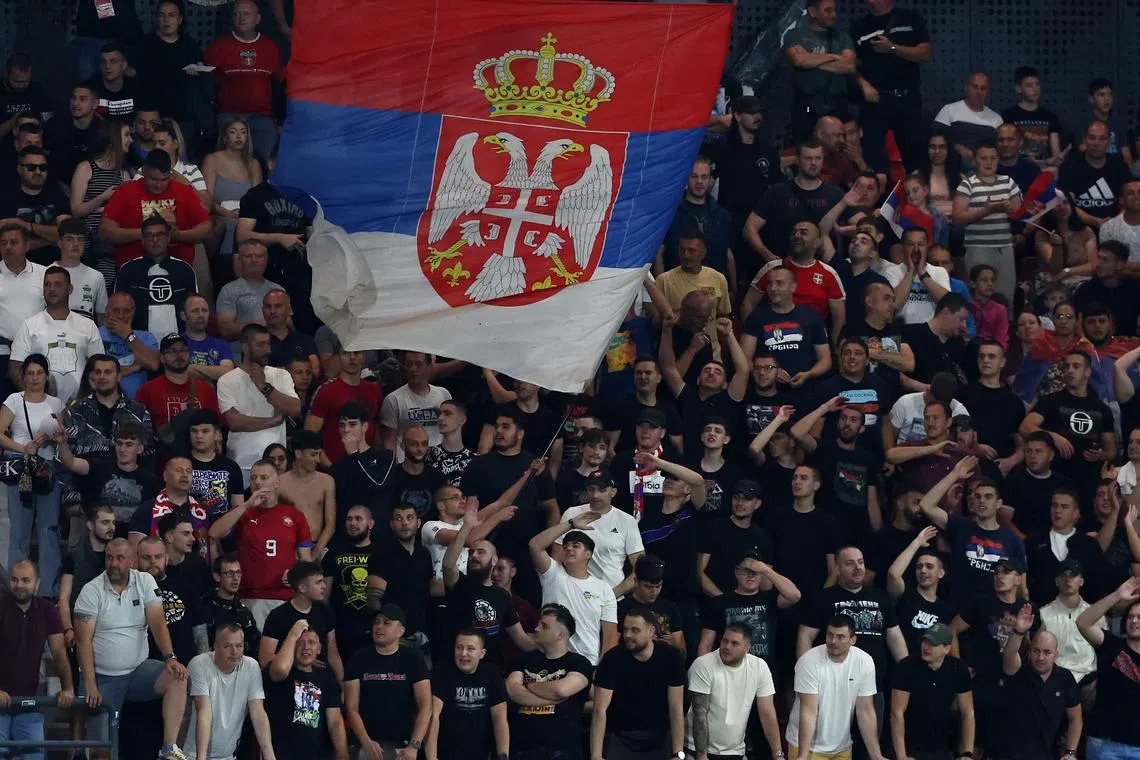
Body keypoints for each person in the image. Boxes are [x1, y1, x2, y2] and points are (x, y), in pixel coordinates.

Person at [73, 538, 189, 759]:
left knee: (178, 676)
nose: (113, 563)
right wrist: (90, 683)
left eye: (120, 558)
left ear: (132, 561)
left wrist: (170, 657)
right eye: (109, 558)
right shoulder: (91, 590)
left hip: (138, 672)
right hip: (103, 678)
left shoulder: (145, 581)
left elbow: (157, 622)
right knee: (101, 752)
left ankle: (169, 748)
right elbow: (82, 641)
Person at [207, 458, 314, 628]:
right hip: (249, 596)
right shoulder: (243, 513)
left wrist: (296, 574)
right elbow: (214, 533)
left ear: (277, 482)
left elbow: (306, 560)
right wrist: (246, 505)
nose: (257, 482)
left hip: (285, 597)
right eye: (253, 478)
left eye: (264, 477)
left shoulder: (295, 516)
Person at [0, 354, 63, 595]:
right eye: (30, 373)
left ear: (46, 376)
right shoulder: (14, 400)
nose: (35, 378)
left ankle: (48, 592)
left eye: (39, 373)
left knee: (49, 529)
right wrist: (23, 448)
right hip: (21, 468)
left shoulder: (56, 404)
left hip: (47, 469)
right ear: (23, 377)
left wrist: (54, 439)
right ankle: (17, 590)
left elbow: (60, 436)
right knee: (20, 531)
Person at [920, 459, 1025, 602]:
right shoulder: (960, 526)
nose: (982, 500)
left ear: (998, 503)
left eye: (988, 497)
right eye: (977, 496)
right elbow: (926, 505)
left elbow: (1021, 587)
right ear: (972, 502)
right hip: (958, 608)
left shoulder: (1012, 539)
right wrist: (954, 475)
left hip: (994, 610)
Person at [0, 559, 75, 759]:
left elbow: (59, 653)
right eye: (14, 579)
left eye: (26, 580)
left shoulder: (48, 610)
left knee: (34, 756)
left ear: (38, 583)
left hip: (29, 702)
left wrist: (68, 688)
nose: (19, 585)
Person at [591, 607, 686, 760]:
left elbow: (676, 708)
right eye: (625, 629)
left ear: (651, 631)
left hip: (660, 736)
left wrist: (678, 754)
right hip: (620, 735)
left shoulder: (671, 657)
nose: (627, 635)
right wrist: (596, 755)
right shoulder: (612, 659)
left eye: (635, 630)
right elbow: (599, 710)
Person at [786, 614, 886, 760]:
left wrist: (876, 755)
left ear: (853, 640)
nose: (833, 641)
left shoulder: (864, 661)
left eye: (840, 637)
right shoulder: (808, 661)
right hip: (807, 747)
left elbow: (865, 711)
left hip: (842, 747)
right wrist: (802, 756)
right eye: (830, 635)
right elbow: (809, 711)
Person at [528, 507, 618, 666]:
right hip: (550, 660)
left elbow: (610, 637)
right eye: (566, 546)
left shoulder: (604, 589)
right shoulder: (553, 574)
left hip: (587, 663)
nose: (569, 548)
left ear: (588, 554)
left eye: (576, 546)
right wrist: (571, 524)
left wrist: (602, 670)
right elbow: (535, 545)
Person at [344, 604, 432, 760]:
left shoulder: (413, 659)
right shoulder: (358, 658)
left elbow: (425, 705)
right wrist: (365, 741)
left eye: (387, 623)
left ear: (401, 631)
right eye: (376, 622)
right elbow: (351, 707)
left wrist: (414, 746)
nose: (379, 626)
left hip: (402, 745)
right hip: (364, 743)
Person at [506, 603, 592, 760]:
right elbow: (512, 690)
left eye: (544, 626)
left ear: (560, 635)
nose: (537, 628)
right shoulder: (525, 658)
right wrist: (552, 698)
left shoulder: (579, 663)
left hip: (562, 752)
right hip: (521, 750)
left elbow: (562, 690)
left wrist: (527, 685)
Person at [218, 324, 301, 484]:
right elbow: (234, 422)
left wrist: (264, 386)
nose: (268, 350)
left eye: (268, 344)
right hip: (242, 465)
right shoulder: (227, 380)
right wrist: (273, 421)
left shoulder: (281, 375)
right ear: (245, 348)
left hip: (277, 465)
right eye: (260, 345)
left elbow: (295, 408)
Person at [686, 622, 783, 760]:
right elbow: (699, 715)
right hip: (697, 749)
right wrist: (701, 756)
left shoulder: (759, 667)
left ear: (747, 648)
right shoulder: (703, 665)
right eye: (725, 641)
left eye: (734, 643)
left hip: (735, 751)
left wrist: (778, 754)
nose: (727, 647)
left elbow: (767, 713)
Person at [204, 0, 284, 162]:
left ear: (258, 18)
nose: (241, 18)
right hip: (229, 117)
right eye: (237, 14)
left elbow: (280, 83)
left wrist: (279, 121)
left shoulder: (270, 47)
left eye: (246, 13)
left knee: (262, 165)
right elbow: (207, 85)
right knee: (228, 165)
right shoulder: (218, 47)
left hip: (262, 118)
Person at [999, 606, 1083, 760]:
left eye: (1047, 652)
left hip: (1049, 754)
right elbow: (1009, 656)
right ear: (1029, 652)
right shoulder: (1018, 672)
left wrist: (1070, 752)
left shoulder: (1065, 678)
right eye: (1036, 651)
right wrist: (1018, 632)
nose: (1041, 657)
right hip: (1011, 755)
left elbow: (1075, 718)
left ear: (1056, 654)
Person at [101, 149, 210, 268]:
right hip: (133, 267)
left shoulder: (184, 192)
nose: (158, 185)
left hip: (177, 267)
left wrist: (178, 235)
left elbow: (205, 228)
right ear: (143, 171)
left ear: (171, 174)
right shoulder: (125, 192)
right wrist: (143, 233)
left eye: (164, 180)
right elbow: (106, 231)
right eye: (153, 179)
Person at [185, 623, 276, 760]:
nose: (235, 652)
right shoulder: (199, 664)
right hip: (191, 755)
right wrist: (201, 758)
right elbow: (203, 711)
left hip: (228, 756)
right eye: (227, 646)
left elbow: (258, 714)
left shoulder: (251, 666)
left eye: (239, 646)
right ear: (216, 647)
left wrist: (270, 757)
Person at [889, 623, 975, 760]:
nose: (926, 647)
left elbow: (968, 712)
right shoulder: (906, 667)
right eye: (925, 641)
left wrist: (967, 753)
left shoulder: (958, 669)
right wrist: (902, 756)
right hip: (909, 747)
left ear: (947, 648)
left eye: (933, 644)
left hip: (942, 747)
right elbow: (897, 713)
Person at [1075, 577, 1140, 758]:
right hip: (1105, 743)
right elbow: (1083, 622)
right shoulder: (1111, 645)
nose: (1134, 621)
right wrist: (1117, 595)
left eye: (1139, 617)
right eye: (1130, 617)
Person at [265, 620, 349, 760]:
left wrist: (342, 754)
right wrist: (292, 635)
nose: (306, 647)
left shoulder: (326, 677)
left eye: (311, 642)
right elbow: (279, 669)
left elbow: (335, 720)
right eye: (300, 643)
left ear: (319, 648)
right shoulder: (281, 672)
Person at [698, 551, 801, 662]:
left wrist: (766, 570)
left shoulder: (770, 599)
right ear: (736, 572)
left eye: (755, 571)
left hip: (763, 668)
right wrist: (702, 669)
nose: (751, 575)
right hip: (728, 668)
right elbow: (705, 646)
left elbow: (795, 595)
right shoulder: (719, 602)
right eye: (746, 570)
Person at [556, 468, 644, 595]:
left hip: (613, 596)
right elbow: (556, 559)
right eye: (591, 489)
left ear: (613, 492)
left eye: (602, 490)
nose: (595, 495)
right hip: (574, 594)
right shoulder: (571, 514)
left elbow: (640, 569)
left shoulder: (627, 521)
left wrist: (611, 597)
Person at [426, 629, 510, 760]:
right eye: (459, 648)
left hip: (481, 752)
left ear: (482, 653)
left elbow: (499, 718)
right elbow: (433, 716)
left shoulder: (492, 674)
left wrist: (503, 756)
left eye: (470, 649)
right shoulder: (442, 671)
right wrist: (431, 757)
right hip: (444, 752)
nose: (463, 653)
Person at [113, 215, 198, 338]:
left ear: (169, 237)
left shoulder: (184, 270)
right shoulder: (128, 270)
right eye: (149, 235)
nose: (155, 240)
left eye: (160, 235)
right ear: (142, 239)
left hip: (179, 345)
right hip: (138, 343)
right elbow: (117, 312)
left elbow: (193, 309)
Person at [783, 0, 855, 142]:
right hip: (807, 105)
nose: (833, 14)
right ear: (813, 12)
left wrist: (811, 59)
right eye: (828, 10)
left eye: (834, 10)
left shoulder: (842, 37)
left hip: (837, 103)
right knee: (806, 146)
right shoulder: (795, 35)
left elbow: (849, 65)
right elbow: (799, 60)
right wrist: (835, 57)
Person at [260, 560, 344, 680]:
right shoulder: (278, 615)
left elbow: (333, 653)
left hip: (322, 680)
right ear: (303, 588)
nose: (324, 586)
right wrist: (304, 659)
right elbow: (265, 658)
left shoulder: (325, 611)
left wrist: (343, 685)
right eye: (318, 582)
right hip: (290, 680)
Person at [305, 345, 383, 465]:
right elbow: (309, 436)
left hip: (368, 466)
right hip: (334, 465)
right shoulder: (326, 390)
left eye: (356, 352)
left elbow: (376, 429)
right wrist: (331, 468)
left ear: (364, 356)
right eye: (346, 353)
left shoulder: (374, 390)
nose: (352, 357)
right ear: (338, 357)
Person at [323, 504, 377, 661]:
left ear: (370, 523)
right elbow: (324, 597)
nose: (353, 523)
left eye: (358, 519)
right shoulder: (334, 553)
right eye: (349, 519)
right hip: (341, 630)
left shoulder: (382, 553)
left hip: (373, 628)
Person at [1058, 120, 1132, 232]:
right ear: (1084, 140)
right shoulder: (1069, 167)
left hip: (1117, 226)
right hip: (1080, 228)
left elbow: (1129, 200)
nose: (1096, 143)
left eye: (1102, 139)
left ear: (1109, 142)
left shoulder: (1120, 166)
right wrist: (1094, 221)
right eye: (1092, 138)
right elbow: (1066, 204)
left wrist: (1114, 222)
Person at [278, 429, 336, 556]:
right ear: (298, 453)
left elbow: (331, 524)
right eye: (313, 455)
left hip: (319, 546)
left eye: (319, 454)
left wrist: (315, 554)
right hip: (290, 547)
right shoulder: (280, 483)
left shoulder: (327, 481)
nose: (318, 460)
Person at [214, 240, 281, 340]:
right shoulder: (228, 290)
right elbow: (225, 330)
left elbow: (288, 324)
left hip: (277, 345)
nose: (254, 260)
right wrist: (259, 326)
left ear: (266, 259)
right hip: (242, 346)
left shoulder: (278, 290)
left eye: (259, 256)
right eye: (248, 256)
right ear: (240, 259)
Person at [934, 72, 1003, 168]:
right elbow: (935, 139)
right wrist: (958, 148)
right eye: (975, 87)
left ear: (988, 92)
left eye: (983, 88)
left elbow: (1000, 149)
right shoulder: (949, 110)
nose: (978, 92)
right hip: (952, 168)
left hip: (984, 169)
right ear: (966, 88)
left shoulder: (996, 119)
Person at [199, 553, 259, 656]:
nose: (235, 578)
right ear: (217, 577)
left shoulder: (244, 613)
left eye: (238, 573)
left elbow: (253, 648)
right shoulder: (203, 606)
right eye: (229, 573)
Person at [1002, 66, 1064, 164]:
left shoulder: (1050, 117)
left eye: (1037, 84)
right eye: (1029, 85)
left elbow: (1055, 153)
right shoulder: (1008, 116)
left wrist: (1056, 159)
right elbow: (1005, 152)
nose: (1035, 89)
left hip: (1045, 169)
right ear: (1018, 89)